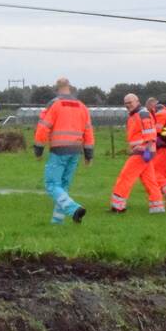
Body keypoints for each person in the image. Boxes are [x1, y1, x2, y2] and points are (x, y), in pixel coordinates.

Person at [33, 77, 93, 224]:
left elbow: (43, 127)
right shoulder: (82, 106)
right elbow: (88, 132)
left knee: (52, 185)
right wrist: (88, 154)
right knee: (63, 186)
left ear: (57, 88)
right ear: (69, 87)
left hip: (59, 150)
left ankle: (75, 209)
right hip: (76, 151)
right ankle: (57, 221)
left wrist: (38, 150)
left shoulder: (54, 104)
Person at [110, 93, 166, 214]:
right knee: (149, 180)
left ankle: (118, 206)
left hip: (142, 151)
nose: (128, 105)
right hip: (144, 151)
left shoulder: (142, 114)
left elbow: (150, 132)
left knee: (126, 176)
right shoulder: (137, 114)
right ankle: (157, 207)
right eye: (126, 103)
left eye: (130, 102)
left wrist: (147, 149)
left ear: (137, 101)